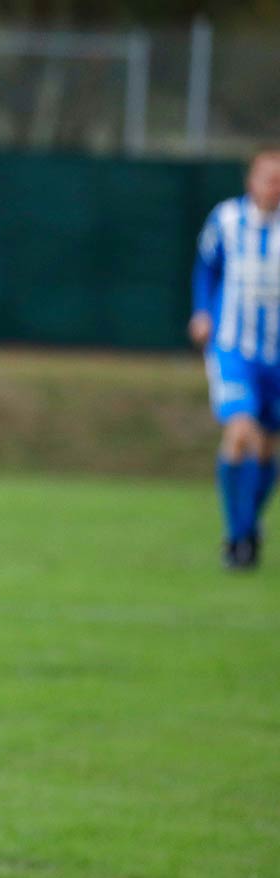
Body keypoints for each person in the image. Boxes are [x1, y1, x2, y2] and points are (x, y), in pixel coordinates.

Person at [190, 148, 280, 570]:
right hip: (233, 348)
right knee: (240, 432)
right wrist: (202, 310)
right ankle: (237, 537)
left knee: (265, 449)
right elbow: (206, 268)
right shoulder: (226, 220)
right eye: (268, 177)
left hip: (276, 355)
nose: (274, 186)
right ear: (252, 180)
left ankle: (248, 525)